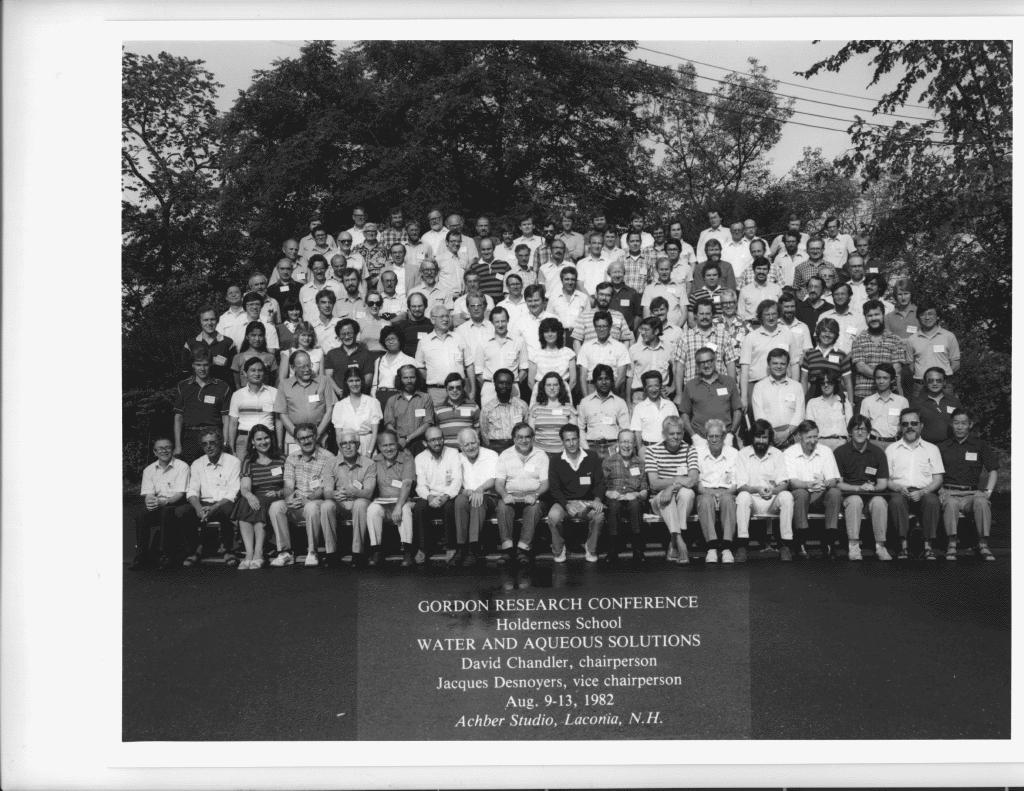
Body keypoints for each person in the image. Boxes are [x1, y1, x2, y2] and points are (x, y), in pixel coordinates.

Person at [266, 423, 334, 567]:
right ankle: (285, 553)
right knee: (276, 507)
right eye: (302, 438)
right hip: (297, 501)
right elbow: (288, 485)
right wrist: (289, 499)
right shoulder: (292, 458)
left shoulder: (328, 457)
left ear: (315, 437)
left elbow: (324, 488)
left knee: (311, 507)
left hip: (317, 501)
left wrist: (307, 500)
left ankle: (312, 552)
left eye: (309, 436)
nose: (306, 441)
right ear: (296, 441)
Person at [174, 428, 241, 568]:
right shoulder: (197, 464)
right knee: (182, 512)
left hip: (223, 502)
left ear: (220, 443)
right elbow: (192, 491)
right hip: (203, 503)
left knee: (228, 509)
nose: (209, 447)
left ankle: (228, 549)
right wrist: (199, 508)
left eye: (212, 442)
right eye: (205, 444)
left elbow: (233, 492)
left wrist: (214, 507)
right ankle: (194, 550)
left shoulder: (233, 462)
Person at [494, 422, 550, 586]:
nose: (524, 441)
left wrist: (535, 494)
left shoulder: (541, 455)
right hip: (511, 496)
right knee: (502, 507)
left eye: (527, 437)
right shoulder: (505, 455)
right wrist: (505, 495)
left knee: (534, 508)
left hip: (533, 496)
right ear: (514, 439)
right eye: (520, 437)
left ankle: (523, 550)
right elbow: (499, 483)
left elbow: (545, 483)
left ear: (532, 438)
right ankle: (507, 550)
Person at [938, 409, 999, 561]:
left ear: (970, 425)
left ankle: (983, 544)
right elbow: (934, 473)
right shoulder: (942, 447)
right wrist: (940, 491)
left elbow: (993, 470)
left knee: (982, 502)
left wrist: (988, 492)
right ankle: (952, 544)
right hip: (949, 492)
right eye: (956, 423)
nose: (959, 427)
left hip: (971, 494)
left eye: (963, 423)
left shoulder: (979, 445)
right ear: (951, 424)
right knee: (951, 504)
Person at [886, 407, 945, 560]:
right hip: (900, 491)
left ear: (921, 426)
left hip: (925, 491)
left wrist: (923, 491)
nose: (909, 427)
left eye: (914, 423)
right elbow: (886, 479)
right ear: (900, 427)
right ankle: (903, 546)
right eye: (905, 424)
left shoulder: (932, 449)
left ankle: (928, 546)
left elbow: (938, 479)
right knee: (896, 501)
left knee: (932, 501)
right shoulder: (891, 449)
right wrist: (898, 488)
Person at [734, 420, 795, 562]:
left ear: (769, 438)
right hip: (752, 500)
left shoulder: (777, 454)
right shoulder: (743, 454)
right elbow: (741, 486)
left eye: (764, 437)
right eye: (758, 437)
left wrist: (773, 491)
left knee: (786, 496)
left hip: (772, 500)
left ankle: (785, 545)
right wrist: (757, 489)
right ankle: (742, 545)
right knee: (742, 496)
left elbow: (784, 483)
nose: (761, 441)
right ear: (752, 437)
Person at [834, 414, 892, 562]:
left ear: (869, 432)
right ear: (850, 431)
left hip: (871, 495)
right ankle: (853, 546)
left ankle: (880, 546)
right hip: (849, 496)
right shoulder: (840, 452)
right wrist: (859, 488)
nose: (860, 432)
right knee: (855, 500)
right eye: (856, 429)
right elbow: (838, 483)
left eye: (864, 429)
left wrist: (873, 489)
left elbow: (883, 483)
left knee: (879, 502)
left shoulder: (878, 452)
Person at [546, 423, 605, 564]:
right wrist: (566, 505)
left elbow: (600, 482)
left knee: (599, 515)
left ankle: (591, 548)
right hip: (565, 502)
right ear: (562, 441)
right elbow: (554, 489)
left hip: (588, 502)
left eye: (574, 439)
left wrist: (597, 499)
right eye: (567, 440)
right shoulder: (555, 460)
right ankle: (559, 549)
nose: (571, 443)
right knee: (553, 516)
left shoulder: (592, 456)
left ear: (579, 439)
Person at [784, 420, 842, 559]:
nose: (813, 441)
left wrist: (825, 482)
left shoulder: (826, 451)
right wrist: (809, 484)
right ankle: (801, 542)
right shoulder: (789, 453)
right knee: (801, 493)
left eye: (815, 436)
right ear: (799, 437)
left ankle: (830, 542)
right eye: (809, 437)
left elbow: (833, 479)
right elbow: (792, 482)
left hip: (821, 494)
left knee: (835, 492)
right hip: (801, 495)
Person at [645, 416, 699, 564]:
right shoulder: (652, 450)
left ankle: (673, 543)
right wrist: (678, 480)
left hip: (680, 497)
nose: (676, 437)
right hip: (659, 500)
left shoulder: (689, 449)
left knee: (688, 493)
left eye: (679, 433)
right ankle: (680, 542)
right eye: (671, 433)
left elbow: (692, 480)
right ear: (664, 434)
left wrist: (671, 486)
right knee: (667, 499)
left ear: (683, 433)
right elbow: (654, 484)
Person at [231, 425, 286, 570]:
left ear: (271, 439)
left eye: (266, 438)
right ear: (253, 442)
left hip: (277, 496)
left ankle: (258, 552)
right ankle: (249, 553)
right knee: (244, 501)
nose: (263, 442)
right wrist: (249, 495)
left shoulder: (281, 458)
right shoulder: (249, 460)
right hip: (257, 496)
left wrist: (279, 493)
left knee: (258, 503)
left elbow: (290, 484)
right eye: (259, 439)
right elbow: (245, 487)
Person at [132, 437, 190, 570]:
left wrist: (164, 502)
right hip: (158, 503)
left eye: (167, 447)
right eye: (160, 448)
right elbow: (148, 493)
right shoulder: (149, 470)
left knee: (166, 512)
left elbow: (180, 494)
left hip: (176, 503)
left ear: (173, 450)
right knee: (141, 516)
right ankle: (141, 555)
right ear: (155, 452)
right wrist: (150, 501)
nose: (164, 451)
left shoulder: (182, 467)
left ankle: (165, 554)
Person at [321, 429, 377, 567]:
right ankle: (331, 553)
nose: (347, 446)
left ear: (358, 445)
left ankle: (358, 553)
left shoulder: (369, 463)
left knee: (360, 504)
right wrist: (334, 494)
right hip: (339, 503)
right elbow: (327, 492)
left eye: (352, 442)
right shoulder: (331, 463)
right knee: (326, 505)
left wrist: (352, 492)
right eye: (343, 443)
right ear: (339, 447)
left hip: (358, 503)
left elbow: (368, 493)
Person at [365, 429, 416, 567]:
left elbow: (407, 484)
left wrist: (398, 506)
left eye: (392, 444)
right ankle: (376, 550)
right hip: (384, 501)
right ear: (379, 447)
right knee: (372, 510)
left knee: (405, 510)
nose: (388, 449)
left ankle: (407, 551)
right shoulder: (375, 461)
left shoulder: (407, 459)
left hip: (403, 500)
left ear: (397, 444)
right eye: (384, 446)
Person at [739, 301, 802, 411]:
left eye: (774, 314)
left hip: (782, 384)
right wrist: (744, 397)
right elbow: (744, 369)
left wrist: (795, 388)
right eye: (767, 314)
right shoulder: (751, 337)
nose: (771, 317)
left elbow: (794, 364)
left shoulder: (787, 334)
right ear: (761, 317)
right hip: (756, 384)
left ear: (778, 315)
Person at [412, 426, 462, 564]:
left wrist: (445, 496)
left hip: (449, 494)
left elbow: (457, 480)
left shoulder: (453, 453)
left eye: (440, 439)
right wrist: (429, 497)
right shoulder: (420, 458)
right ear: (425, 443)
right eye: (433, 440)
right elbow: (421, 484)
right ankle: (423, 548)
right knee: (419, 508)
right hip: (430, 495)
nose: (437, 443)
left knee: (450, 507)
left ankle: (451, 547)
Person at [173, 348, 232, 463]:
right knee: (191, 470)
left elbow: (226, 418)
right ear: (193, 365)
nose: (202, 369)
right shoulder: (183, 386)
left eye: (205, 365)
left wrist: (225, 442)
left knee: (215, 469)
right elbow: (178, 417)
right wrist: (178, 445)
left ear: (210, 365)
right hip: (190, 436)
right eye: (198, 365)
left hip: (214, 436)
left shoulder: (222, 386)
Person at [273, 350, 336, 453]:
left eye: (308, 365)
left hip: (319, 435)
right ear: (293, 367)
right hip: (293, 437)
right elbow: (282, 414)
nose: (306, 369)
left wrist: (318, 434)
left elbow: (330, 409)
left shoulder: (324, 381)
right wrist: (298, 435)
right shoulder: (284, 385)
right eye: (302, 367)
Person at [452, 428, 499, 567]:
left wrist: (480, 489)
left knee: (478, 500)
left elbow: (494, 479)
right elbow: (454, 482)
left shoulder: (491, 455)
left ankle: (474, 548)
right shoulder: (457, 458)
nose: (471, 447)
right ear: (461, 447)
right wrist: (464, 491)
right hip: (466, 495)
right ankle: (461, 547)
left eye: (473, 443)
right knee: (460, 501)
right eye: (466, 445)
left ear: (478, 442)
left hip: (489, 496)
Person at [679, 347, 742, 450]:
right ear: (697, 365)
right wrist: (694, 436)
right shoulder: (690, 386)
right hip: (701, 440)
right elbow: (684, 414)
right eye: (702, 362)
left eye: (709, 361)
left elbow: (737, 410)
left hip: (725, 439)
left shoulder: (728, 382)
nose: (706, 365)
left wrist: (731, 434)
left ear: (715, 360)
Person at [694, 419, 739, 564]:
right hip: (705, 491)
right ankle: (711, 547)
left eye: (717, 436)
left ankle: (727, 547)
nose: (714, 439)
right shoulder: (697, 453)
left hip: (727, 491)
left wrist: (725, 493)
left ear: (724, 437)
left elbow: (736, 483)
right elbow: (696, 482)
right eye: (710, 436)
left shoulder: (734, 453)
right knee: (705, 501)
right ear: (706, 437)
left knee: (728, 500)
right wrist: (709, 493)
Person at [602, 429, 649, 565]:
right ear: (618, 443)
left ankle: (638, 550)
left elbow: (644, 490)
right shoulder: (608, 462)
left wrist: (635, 494)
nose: (626, 445)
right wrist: (608, 493)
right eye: (623, 442)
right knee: (613, 505)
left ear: (634, 444)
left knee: (635, 505)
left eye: (629, 442)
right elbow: (601, 486)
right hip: (614, 497)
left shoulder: (640, 463)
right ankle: (612, 550)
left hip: (633, 498)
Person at [416, 303, 475, 407]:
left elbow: (469, 365)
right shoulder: (424, 342)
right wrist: (434, 378)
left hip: (459, 390)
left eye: (447, 316)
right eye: (442, 316)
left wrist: (473, 390)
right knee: (438, 417)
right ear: (433, 320)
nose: (446, 319)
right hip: (436, 393)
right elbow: (420, 367)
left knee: (462, 416)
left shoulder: (459, 338)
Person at [906, 299, 961, 396]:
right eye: (922, 315)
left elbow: (956, 363)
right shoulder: (912, 339)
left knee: (947, 407)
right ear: (918, 318)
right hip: (920, 387)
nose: (927, 317)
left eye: (930, 314)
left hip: (944, 386)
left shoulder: (949, 336)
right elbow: (911, 365)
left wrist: (941, 378)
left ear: (937, 316)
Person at [751, 348, 804, 449]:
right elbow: (759, 415)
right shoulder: (759, 387)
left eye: (782, 364)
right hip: (769, 437)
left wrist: (786, 433)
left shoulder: (797, 386)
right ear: (769, 364)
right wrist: (773, 434)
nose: (779, 366)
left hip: (793, 436)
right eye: (775, 363)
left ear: (787, 365)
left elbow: (800, 414)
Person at [226, 357, 278, 458]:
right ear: (245, 373)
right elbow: (233, 423)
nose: (257, 374)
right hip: (244, 439)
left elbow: (278, 420)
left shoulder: (274, 392)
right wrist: (231, 447)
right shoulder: (237, 395)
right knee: (243, 467)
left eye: (260, 370)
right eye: (253, 370)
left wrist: (279, 444)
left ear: (264, 373)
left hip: (267, 439)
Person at [676, 299, 737, 383]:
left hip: (719, 387)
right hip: (693, 388)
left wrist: (731, 387)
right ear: (695, 315)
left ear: (713, 315)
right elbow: (679, 367)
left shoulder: (724, 336)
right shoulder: (685, 338)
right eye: (701, 314)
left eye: (707, 314)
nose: (704, 317)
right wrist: (679, 391)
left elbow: (730, 364)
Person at [476, 306, 528, 405]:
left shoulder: (519, 341)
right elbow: (478, 373)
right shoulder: (483, 342)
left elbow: (524, 370)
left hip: (512, 389)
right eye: (497, 322)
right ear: (492, 322)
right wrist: (491, 386)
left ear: (508, 320)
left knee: (513, 414)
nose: (500, 325)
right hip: (489, 389)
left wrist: (513, 384)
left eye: (503, 321)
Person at [578, 364, 631, 458]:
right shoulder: (585, 402)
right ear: (594, 382)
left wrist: (617, 449)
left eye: (607, 378)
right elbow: (580, 428)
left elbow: (625, 429)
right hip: (590, 446)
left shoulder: (620, 402)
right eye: (600, 379)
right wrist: (586, 449)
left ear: (612, 381)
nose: (604, 382)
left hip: (613, 446)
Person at [383, 364, 435, 456]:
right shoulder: (392, 400)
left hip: (420, 444)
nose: (409, 381)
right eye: (405, 378)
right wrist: (399, 439)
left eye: (412, 377)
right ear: (400, 379)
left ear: (417, 378)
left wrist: (408, 438)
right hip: (399, 444)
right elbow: (389, 424)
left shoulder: (425, 398)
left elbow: (428, 423)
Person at [800, 317, 855, 403]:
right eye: (824, 331)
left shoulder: (841, 355)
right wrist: (803, 402)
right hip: (813, 397)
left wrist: (850, 403)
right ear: (818, 333)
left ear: (835, 335)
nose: (827, 335)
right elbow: (804, 380)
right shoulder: (809, 354)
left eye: (831, 332)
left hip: (835, 397)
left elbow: (848, 382)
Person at [331, 368, 382, 457]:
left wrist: (369, 452)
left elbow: (375, 432)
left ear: (362, 382)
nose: (354, 384)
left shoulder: (373, 402)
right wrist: (343, 453)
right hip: (347, 447)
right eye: (351, 381)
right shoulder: (339, 405)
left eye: (357, 380)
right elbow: (338, 435)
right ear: (346, 383)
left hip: (367, 445)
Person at [571, 281, 636, 349]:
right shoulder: (584, 316)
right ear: (596, 295)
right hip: (590, 354)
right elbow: (576, 341)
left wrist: (622, 354)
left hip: (613, 354)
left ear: (612, 297)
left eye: (608, 295)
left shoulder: (619, 316)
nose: (604, 298)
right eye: (601, 294)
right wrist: (581, 356)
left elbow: (626, 339)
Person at [858, 363, 909, 448]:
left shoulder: (902, 401)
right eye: (878, 378)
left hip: (895, 444)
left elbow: (906, 426)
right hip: (874, 444)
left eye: (885, 378)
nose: (881, 381)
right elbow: (863, 428)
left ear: (892, 380)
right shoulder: (867, 402)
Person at [184, 304, 237, 385]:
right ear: (200, 322)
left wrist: (226, 364)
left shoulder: (228, 343)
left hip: (221, 388)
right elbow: (186, 371)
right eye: (205, 320)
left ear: (217, 320)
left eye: (212, 319)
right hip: (198, 388)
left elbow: (235, 372)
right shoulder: (190, 344)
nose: (209, 323)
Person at [480, 368, 529, 454]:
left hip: (517, 447)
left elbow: (527, 428)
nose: (504, 386)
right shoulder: (487, 408)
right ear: (495, 384)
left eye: (508, 383)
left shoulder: (522, 405)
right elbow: (484, 434)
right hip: (495, 449)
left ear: (512, 384)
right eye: (501, 383)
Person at [529, 372, 578, 454]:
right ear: (543, 387)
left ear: (560, 387)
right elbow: (530, 434)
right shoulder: (535, 408)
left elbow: (574, 435)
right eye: (548, 385)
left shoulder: (569, 408)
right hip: (539, 454)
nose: (552, 388)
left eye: (555, 385)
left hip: (562, 454)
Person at [324, 318, 374, 397]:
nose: (346, 337)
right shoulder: (332, 354)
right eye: (343, 334)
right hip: (338, 397)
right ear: (339, 336)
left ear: (356, 333)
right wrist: (338, 391)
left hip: (359, 396)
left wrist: (355, 393)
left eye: (349, 333)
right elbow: (328, 376)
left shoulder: (366, 354)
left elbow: (368, 380)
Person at [912, 368, 963, 444]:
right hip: (927, 446)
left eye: (938, 380)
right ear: (925, 382)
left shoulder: (954, 401)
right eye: (931, 381)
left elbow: (962, 423)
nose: (935, 383)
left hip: (951, 445)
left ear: (944, 382)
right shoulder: (917, 403)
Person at [530, 317, 577, 398]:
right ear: (542, 334)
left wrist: (563, 396)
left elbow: (573, 381)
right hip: (540, 396)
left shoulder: (568, 353)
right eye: (546, 331)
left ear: (558, 333)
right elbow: (530, 382)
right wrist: (542, 396)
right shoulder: (535, 354)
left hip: (563, 395)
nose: (550, 334)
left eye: (553, 331)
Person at [804, 373, 853, 450]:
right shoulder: (812, 403)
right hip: (820, 445)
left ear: (834, 384)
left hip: (841, 444)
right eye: (822, 383)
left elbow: (851, 427)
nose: (826, 385)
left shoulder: (844, 402)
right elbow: (810, 429)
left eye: (829, 382)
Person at [628, 318, 674, 401]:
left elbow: (677, 370)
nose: (642, 333)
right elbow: (629, 377)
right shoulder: (634, 349)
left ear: (656, 331)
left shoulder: (669, 348)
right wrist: (628, 401)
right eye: (641, 329)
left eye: (646, 330)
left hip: (661, 394)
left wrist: (673, 387)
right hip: (640, 395)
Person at [371, 326, 416, 409]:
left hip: (400, 397)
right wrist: (374, 399)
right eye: (387, 339)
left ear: (400, 340)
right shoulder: (379, 360)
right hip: (380, 397)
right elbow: (374, 384)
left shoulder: (409, 360)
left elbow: (412, 385)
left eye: (393, 339)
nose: (391, 342)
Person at [630, 370, 679, 447]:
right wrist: (640, 450)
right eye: (650, 386)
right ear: (645, 388)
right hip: (649, 448)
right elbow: (637, 433)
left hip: (669, 448)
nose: (654, 389)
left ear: (660, 386)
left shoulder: (670, 405)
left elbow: (678, 428)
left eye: (656, 385)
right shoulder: (639, 408)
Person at [435, 372, 480, 449]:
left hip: (467, 450)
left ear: (463, 388)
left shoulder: (473, 406)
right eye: (451, 388)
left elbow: (478, 429)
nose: (454, 390)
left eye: (458, 387)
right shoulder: (438, 409)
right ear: (446, 389)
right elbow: (436, 432)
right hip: (447, 451)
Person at [818, 283, 866, 355]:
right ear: (832, 297)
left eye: (843, 294)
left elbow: (862, 342)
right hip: (827, 359)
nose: (839, 297)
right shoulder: (824, 317)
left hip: (852, 359)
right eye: (836, 294)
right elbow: (818, 340)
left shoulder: (859, 318)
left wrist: (846, 358)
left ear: (850, 296)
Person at [231, 321, 279, 388]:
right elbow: (237, 384)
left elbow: (275, 381)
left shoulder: (270, 357)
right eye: (253, 335)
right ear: (247, 336)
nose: (257, 339)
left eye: (260, 335)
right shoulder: (238, 357)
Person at [468, 236, 510, 300]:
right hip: (482, 302)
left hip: (500, 302)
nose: (486, 252)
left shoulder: (504, 265)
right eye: (483, 249)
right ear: (480, 250)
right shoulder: (474, 267)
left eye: (489, 249)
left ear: (493, 249)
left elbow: (509, 285)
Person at [392, 293, 434, 357]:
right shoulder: (401, 327)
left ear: (425, 306)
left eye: (420, 306)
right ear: (409, 307)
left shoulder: (432, 325)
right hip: (407, 361)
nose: (417, 309)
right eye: (414, 306)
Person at [606, 260, 642, 333]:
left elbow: (638, 315)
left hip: (627, 333)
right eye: (614, 272)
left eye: (620, 272)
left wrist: (632, 331)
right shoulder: (605, 292)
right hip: (608, 332)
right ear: (609, 274)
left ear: (624, 273)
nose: (617, 275)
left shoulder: (632, 293)